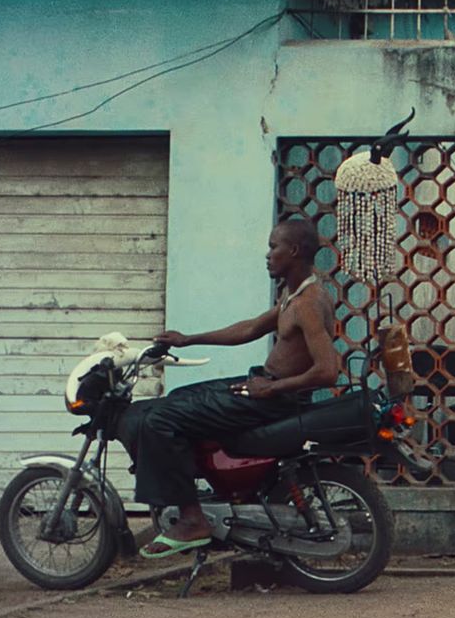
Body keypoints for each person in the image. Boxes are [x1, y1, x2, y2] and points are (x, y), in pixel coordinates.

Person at [123, 219, 340, 558]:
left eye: (273, 247)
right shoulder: (293, 293)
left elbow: (328, 370)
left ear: (293, 251)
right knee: (175, 401)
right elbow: (251, 327)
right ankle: (202, 493)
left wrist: (273, 389)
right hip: (263, 387)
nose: (267, 255)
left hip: (271, 399)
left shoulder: (308, 303)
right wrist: (188, 339)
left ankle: (193, 519)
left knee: (160, 419)